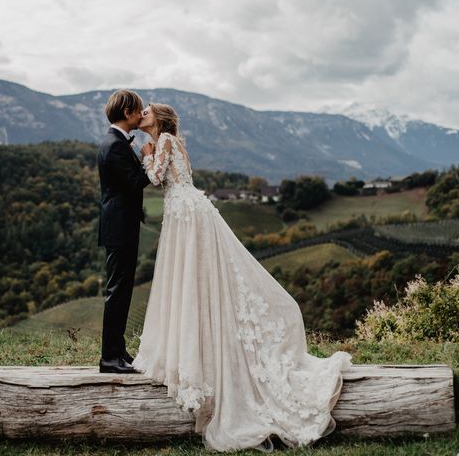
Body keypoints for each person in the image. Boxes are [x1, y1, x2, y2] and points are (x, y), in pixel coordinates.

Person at [132, 103, 352, 452]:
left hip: (188, 216)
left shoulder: (165, 142)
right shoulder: (172, 141)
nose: (141, 114)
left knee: (198, 282)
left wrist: (144, 154)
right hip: (187, 213)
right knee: (198, 283)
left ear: (158, 118)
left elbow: (157, 177)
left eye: (146, 111)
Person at [96, 89, 154, 374]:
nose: (141, 114)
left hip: (122, 226)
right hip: (119, 228)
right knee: (117, 290)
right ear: (127, 112)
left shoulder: (116, 141)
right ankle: (109, 358)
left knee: (122, 289)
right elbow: (134, 182)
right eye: (139, 109)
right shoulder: (115, 144)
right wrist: (148, 156)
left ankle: (118, 351)